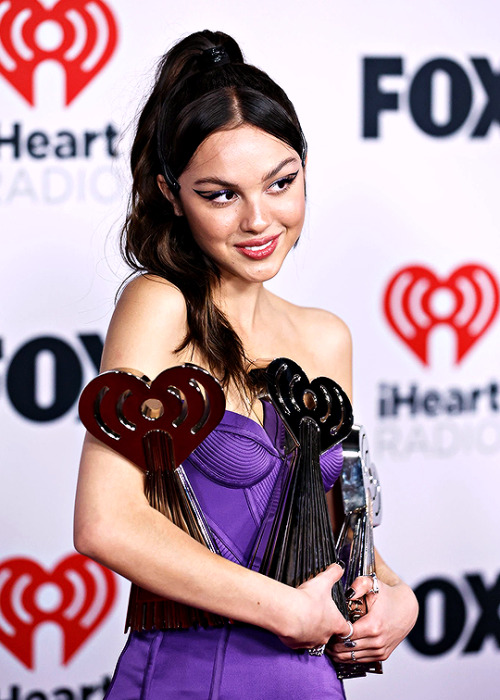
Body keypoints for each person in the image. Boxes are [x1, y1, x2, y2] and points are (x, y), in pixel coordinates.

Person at [74, 29, 418, 699]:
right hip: (192, 676)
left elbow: (334, 527)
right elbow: (104, 522)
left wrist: (395, 594)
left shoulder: (325, 338)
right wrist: (286, 609)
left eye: (280, 183)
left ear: (304, 169)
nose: (260, 220)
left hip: (310, 682)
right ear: (172, 194)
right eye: (221, 194)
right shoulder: (159, 305)